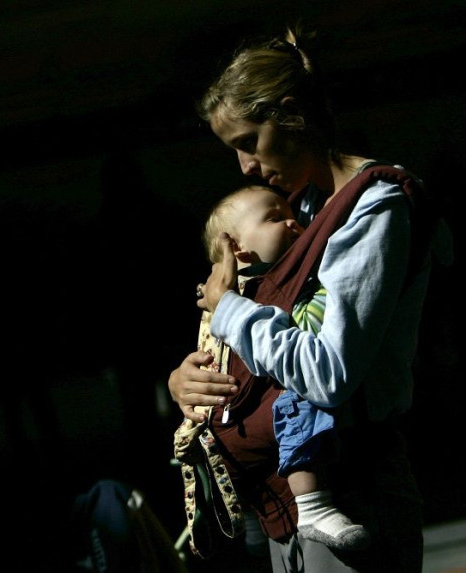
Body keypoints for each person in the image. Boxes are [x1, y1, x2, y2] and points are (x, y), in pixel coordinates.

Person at [167, 24, 453, 573]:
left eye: (249, 142)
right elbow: (269, 334)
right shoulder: (298, 215)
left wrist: (227, 309)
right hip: (288, 497)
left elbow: (328, 374)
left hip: (351, 490)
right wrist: (191, 379)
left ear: (291, 114)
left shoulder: (375, 211)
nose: (246, 167)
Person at [200, 184, 369, 551]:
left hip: (292, 456)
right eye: (276, 218)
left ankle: (312, 504)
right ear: (237, 247)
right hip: (245, 453)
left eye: (293, 216)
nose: (294, 223)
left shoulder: (298, 284)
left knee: (298, 400)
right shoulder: (227, 295)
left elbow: (315, 346)